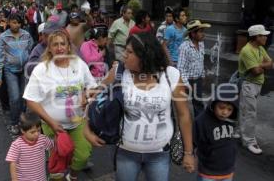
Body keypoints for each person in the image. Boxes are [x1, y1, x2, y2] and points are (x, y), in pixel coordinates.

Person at [84, 32, 195, 181]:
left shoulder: (171, 75)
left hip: (160, 154)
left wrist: (188, 153)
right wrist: (86, 129)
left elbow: (184, 115)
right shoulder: (119, 73)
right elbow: (95, 100)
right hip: (125, 153)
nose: (124, 55)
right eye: (125, 50)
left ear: (145, 55)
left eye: (129, 52)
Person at [23, 30, 97, 181]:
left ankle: (73, 176)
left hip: (78, 121)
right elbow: (30, 100)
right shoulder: (42, 69)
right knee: (58, 163)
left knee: (83, 155)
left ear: (69, 46)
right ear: (49, 48)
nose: (59, 47)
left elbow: (92, 86)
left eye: (63, 43)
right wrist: (51, 122)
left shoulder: (79, 64)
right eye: (55, 44)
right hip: (53, 125)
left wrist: (86, 95)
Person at [0, 13, 34, 135]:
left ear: (21, 23)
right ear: (8, 23)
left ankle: (22, 119)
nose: (15, 25)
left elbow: (31, 49)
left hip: (24, 70)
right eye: (13, 22)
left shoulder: (26, 35)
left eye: (17, 22)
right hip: (10, 71)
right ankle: (14, 122)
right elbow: (0, 57)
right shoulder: (3, 37)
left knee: (24, 96)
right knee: (15, 97)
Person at [238, 25, 274, 154]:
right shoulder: (247, 51)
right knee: (250, 114)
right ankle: (249, 141)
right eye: (263, 35)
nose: (265, 37)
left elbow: (271, 64)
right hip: (249, 84)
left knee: (245, 110)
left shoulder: (259, 48)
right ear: (255, 37)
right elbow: (256, 71)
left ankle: (239, 132)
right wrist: (262, 66)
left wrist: (261, 65)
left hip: (257, 85)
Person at [194, 83, 239, 181]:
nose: (225, 112)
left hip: (228, 171)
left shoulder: (231, 120)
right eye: (221, 107)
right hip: (207, 172)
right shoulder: (202, 121)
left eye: (229, 109)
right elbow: (193, 140)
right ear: (213, 104)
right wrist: (188, 155)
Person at [6, 112, 54, 181]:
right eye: (32, 132)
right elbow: (12, 162)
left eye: (39, 130)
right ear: (23, 130)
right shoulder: (17, 145)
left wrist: (52, 160)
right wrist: (14, 179)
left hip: (41, 177)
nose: (37, 134)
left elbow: (52, 145)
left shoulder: (42, 139)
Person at [178, 20, 211, 117]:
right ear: (193, 34)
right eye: (200, 32)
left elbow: (201, 61)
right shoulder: (185, 47)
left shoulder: (201, 44)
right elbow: (181, 68)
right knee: (182, 105)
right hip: (187, 81)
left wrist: (203, 75)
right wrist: (187, 85)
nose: (203, 34)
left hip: (198, 80)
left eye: (203, 31)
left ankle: (199, 125)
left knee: (198, 103)